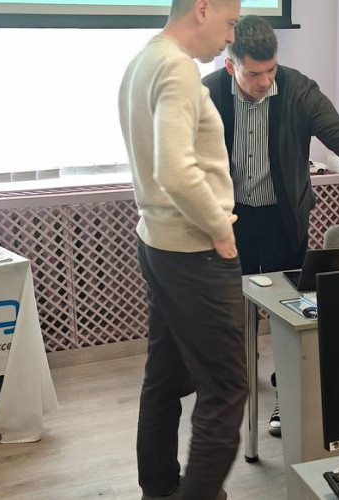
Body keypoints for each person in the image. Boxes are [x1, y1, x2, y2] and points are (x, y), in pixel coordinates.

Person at [202, 15, 339, 437]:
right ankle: (233, 384)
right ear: (230, 66)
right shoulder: (206, 94)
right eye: (253, 74)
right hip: (229, 220)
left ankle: (287, 389)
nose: (264, 82)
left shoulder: (298, 90)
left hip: (283, 220)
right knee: (229, 311)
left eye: (270, 70)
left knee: (287, 309)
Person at [118, 1, 246, 499]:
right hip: (194, 250)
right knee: (226, 389)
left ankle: (159, 489)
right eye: (230, 23)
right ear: (202, 9)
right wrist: (218, 227)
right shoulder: (176, 67)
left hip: (157, 242)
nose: (230, 37)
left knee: (165, 376)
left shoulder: (144, 61)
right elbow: (174, 169)